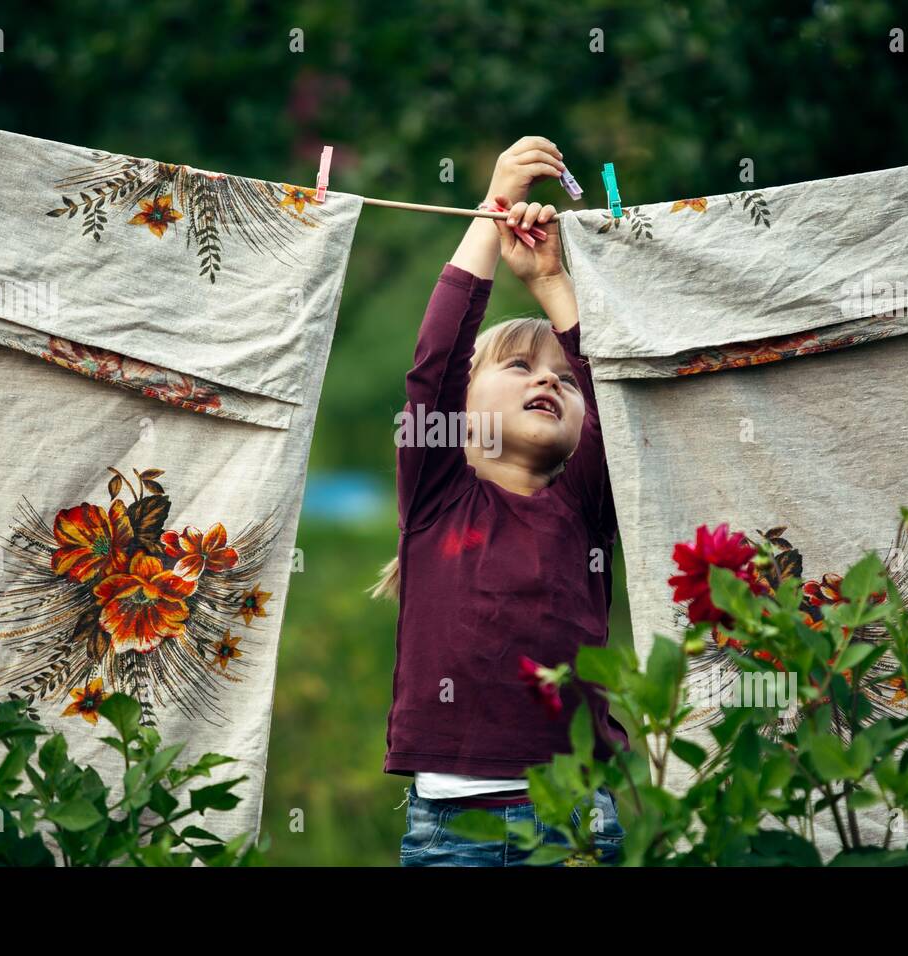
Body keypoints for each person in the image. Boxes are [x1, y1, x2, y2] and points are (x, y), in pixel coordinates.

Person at [369, 137, 630, 866]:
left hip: (578, 818)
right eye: (518, 366)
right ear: (465, 407)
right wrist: (490, 213)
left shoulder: (586, 505)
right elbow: (435, 366)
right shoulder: (436, 497)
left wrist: (552, 280)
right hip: (454, 831)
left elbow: (615, 392)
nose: (549, 382)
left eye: (563, 380)